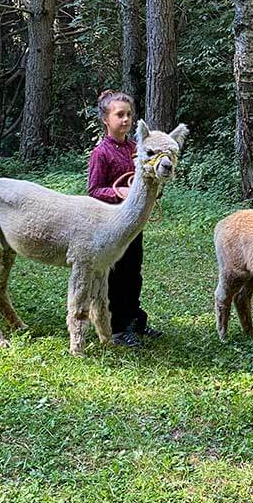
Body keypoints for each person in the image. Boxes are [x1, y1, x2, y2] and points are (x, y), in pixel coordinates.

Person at [86, 89, 160, 347]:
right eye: (120, 115)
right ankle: (117, 327)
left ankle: (135, 320)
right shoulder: (101, 153)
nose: (126, 119)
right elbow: (94, 190)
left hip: (133, 224)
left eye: (128, 114)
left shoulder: (136, 149)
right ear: (106, 119)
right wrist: (120, 190)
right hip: (112, 225)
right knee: (118, 275)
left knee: (134, 272)